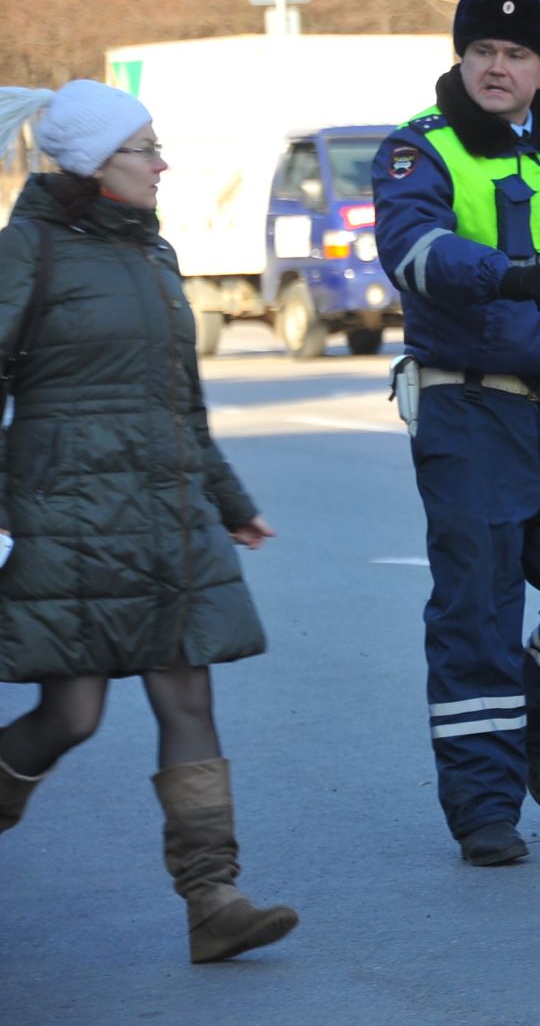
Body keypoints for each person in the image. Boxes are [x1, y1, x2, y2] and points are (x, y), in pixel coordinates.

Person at [0, 80, 297, 963]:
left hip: (166, 514)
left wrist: (230, 501)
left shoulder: (155, 252)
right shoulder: (30, 249)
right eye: (146, 149)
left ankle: (215, 899)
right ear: (97, 164)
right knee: (73, 714)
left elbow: (182, 405)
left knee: (188, 693)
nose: (163, 163)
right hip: (69, 517)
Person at [371, 0, 540, 867]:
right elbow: (411, 248)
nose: (498, 66)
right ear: (461, 57)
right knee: (478, 613)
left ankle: (537, 731)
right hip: (468, 408)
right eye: (483, 49)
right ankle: (485, 810)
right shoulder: (422, 148)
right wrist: (501, 273)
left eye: (517, 54)